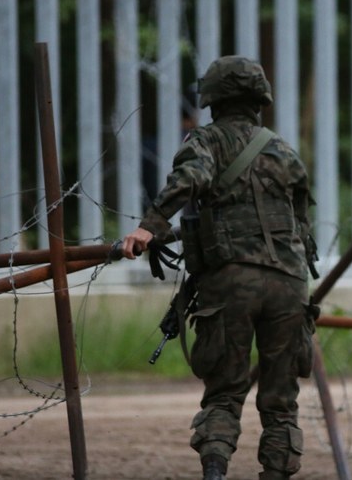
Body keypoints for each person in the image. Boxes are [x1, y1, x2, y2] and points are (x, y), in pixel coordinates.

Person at [121, 56, 318, 480]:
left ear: (211, 98)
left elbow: (190, 177)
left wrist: (146, 228)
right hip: (288, 284)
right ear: (259, 99)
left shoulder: (205, 141)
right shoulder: (283, 150)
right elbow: (304, 225)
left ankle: (214, 472)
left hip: (231, 282)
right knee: (281, 401)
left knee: (225, 394)